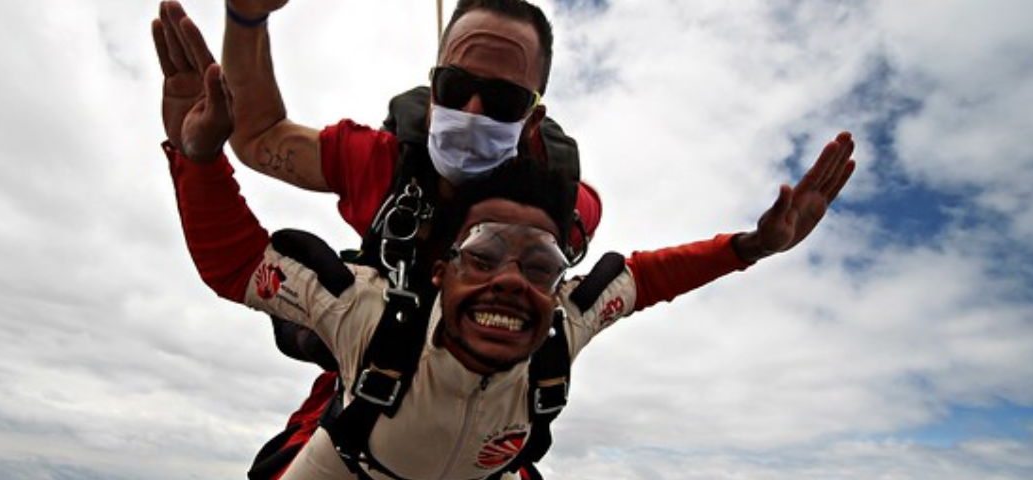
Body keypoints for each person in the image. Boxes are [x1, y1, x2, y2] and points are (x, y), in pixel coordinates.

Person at [153, 0, 857, 477]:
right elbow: (260, 144)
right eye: (455, 87)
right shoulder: (382, 164)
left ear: (533, 116)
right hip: (372, 383)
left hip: (494, 411)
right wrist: (245, 21)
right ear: (430, 89)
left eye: (504, 100)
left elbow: (638, 280)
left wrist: (753, 247)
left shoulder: (567, 203)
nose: (473, 110)